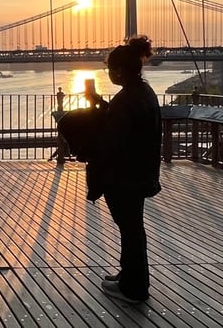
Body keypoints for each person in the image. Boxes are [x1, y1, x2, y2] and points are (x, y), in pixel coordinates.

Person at [87, 36, 162, 303]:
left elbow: (113, 140)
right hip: (141, 173)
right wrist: (100, 103)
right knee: (132, 228)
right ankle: (128, 275)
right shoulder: (144, 92)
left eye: (110, 69)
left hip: (124, 177)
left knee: (130, 230)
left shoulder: (127, 98)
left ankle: (134, 288)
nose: (109, 73)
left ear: (119, 70)